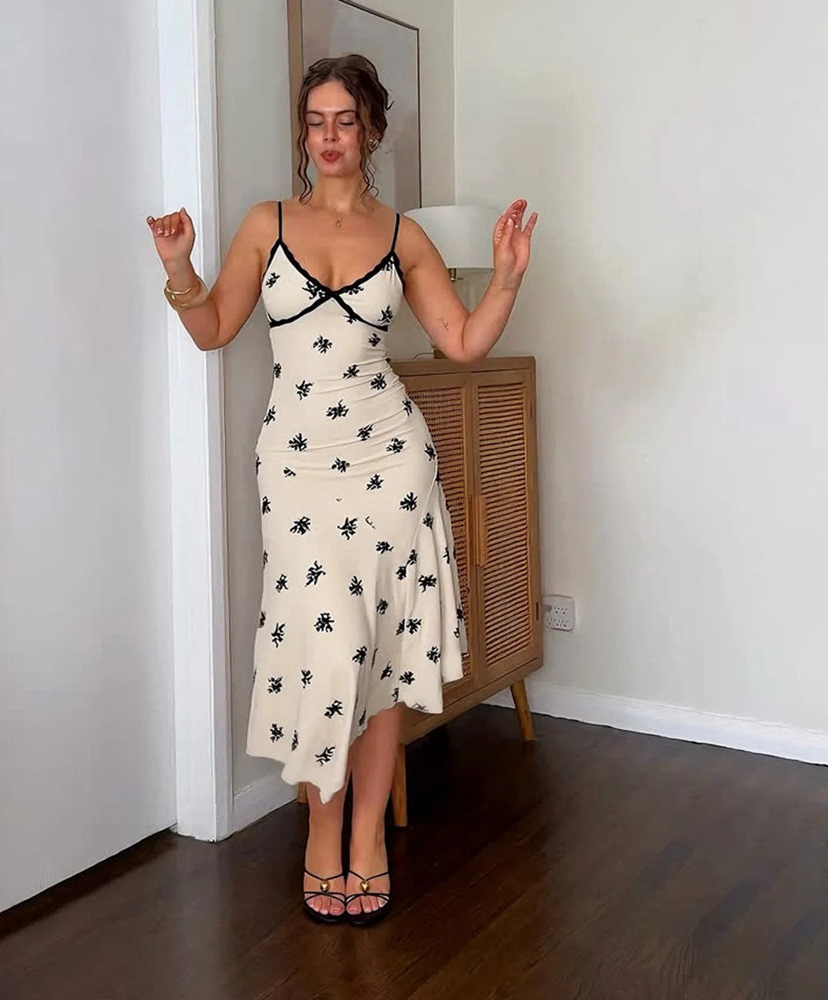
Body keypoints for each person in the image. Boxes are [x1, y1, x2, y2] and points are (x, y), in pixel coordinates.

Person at [147, 53, 536, 926]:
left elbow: (464, 343)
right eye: (315, 121)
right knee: (326, 652)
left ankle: (366, 842)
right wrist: (179, 268)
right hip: (296, 464)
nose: (328, 137)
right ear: (303, 132)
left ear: (371, 131)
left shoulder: (403, 238)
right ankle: (322, 835)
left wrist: (506, 277)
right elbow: (212, 328)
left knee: (384, 656)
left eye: (344, 121)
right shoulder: (264, 224)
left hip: (391, 462)